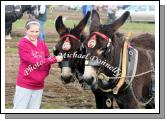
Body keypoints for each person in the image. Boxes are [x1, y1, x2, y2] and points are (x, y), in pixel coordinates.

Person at [13, 19, 63, 109]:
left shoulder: (41, 44)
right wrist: (54, 59)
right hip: (25, 84)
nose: (34, 34)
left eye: (37, 31)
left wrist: (43, 75)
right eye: (31, 31)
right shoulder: (23, 44)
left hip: (39, 85)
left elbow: (47, 58)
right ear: (26, 31)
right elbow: (34, 61)